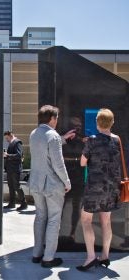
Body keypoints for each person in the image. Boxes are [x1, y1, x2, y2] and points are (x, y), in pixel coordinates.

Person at [77, 109, 121, 271]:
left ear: (97, 123)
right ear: (112, 122)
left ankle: (90, 258)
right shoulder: (117, 140)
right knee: (106, 221)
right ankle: (105, 256)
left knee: (86, 220)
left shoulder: (92, 140)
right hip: (112, 187)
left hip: (95, 187)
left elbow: (83, 162)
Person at [29, 105, 71, 268]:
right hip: (52, 185)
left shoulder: (34, 133)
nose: (57, 120)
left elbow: (44, 147)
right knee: (54, 220)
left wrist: (63, 138)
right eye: (57, 118)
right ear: (52, 119)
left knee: (40, 218)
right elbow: (58, 164)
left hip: (36, 183)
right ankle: (48, 258)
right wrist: (67, 182)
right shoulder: (52, 136)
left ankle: (36, 254)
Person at [3, 131, 27, 210]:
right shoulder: (11, 143)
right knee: (11, 186)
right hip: (10, 169)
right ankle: (12, 203)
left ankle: (24, 203)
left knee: (17, 186)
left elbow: (19, 155)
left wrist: (8, 155)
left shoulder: (17, 142)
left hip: (15, 169)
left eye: (7, 138)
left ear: (11, 135)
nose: (6, 140)